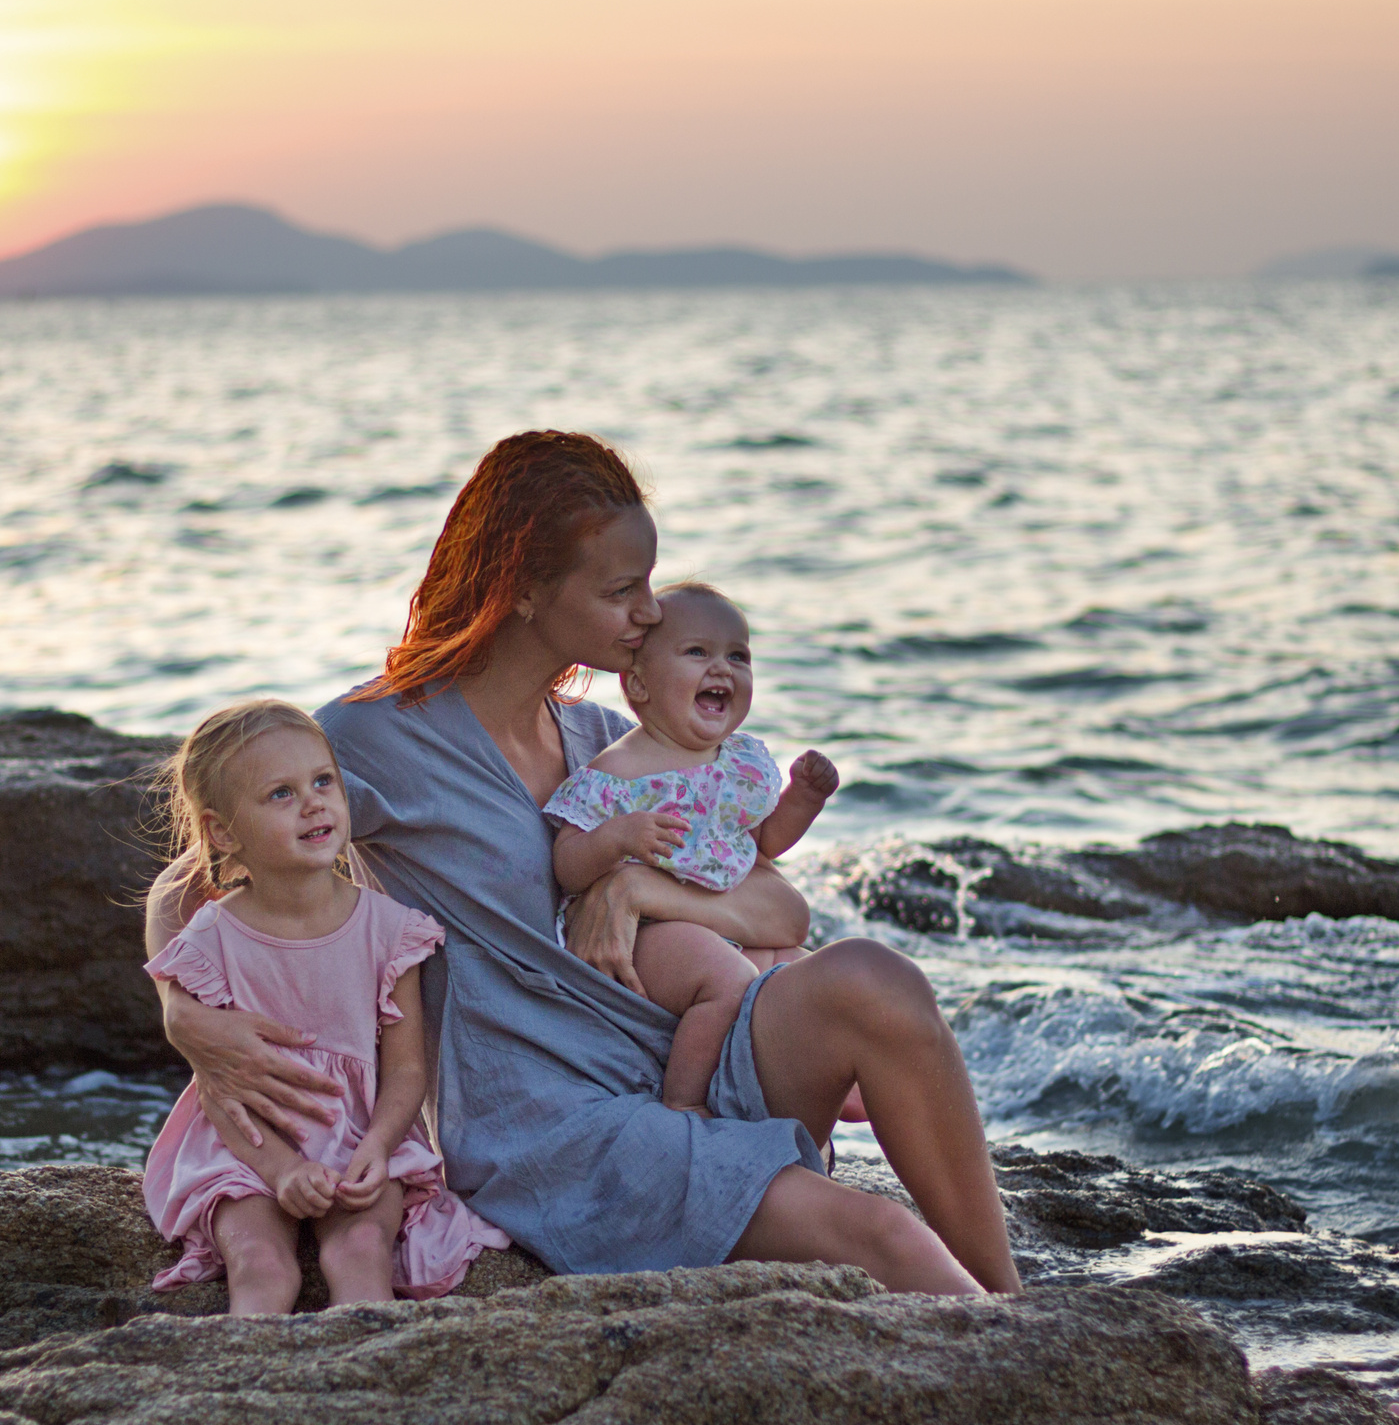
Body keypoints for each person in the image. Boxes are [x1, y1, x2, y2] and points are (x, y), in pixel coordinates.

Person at [148, 430, 1022, 1297]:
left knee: (875, 977)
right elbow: (194, 877)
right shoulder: (377, 736)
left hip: (689, 1058)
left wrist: (636, 885)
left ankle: (1014, 1308)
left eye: (649, 583)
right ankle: (1002, 1333)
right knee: (879, 1230)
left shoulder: (612, 743)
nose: (652, 613)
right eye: (620, 590)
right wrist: (185, 1018)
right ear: (526, 590)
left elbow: (777, 908)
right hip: (558, 1126)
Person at [140, 698, 509, 1314]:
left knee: (361, 1250)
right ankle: (245, 1367)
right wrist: (282, 1170)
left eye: (323, 782)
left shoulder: (392, 931)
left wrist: (378, 1148)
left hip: (361, 1137)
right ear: (223, 833)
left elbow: (406, 1070)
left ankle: (360, 1361)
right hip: (248, 1146)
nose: (314, 804)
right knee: (260, 1263)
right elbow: (220, 1087)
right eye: (281, 794)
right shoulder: (210, 940)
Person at [543, 579, 845, 1116]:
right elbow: (567, 863)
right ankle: (683, 1105)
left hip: (720, 915)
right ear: (639, 686)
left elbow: (765, 843)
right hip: (648, 932)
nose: (722, 668)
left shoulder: (740, 763)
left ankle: (824, 1094)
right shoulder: (618, 772)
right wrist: (618, 837)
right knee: (727, 982)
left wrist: (803, 799)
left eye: (738, 656)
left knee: (801, 977)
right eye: (697, 652)